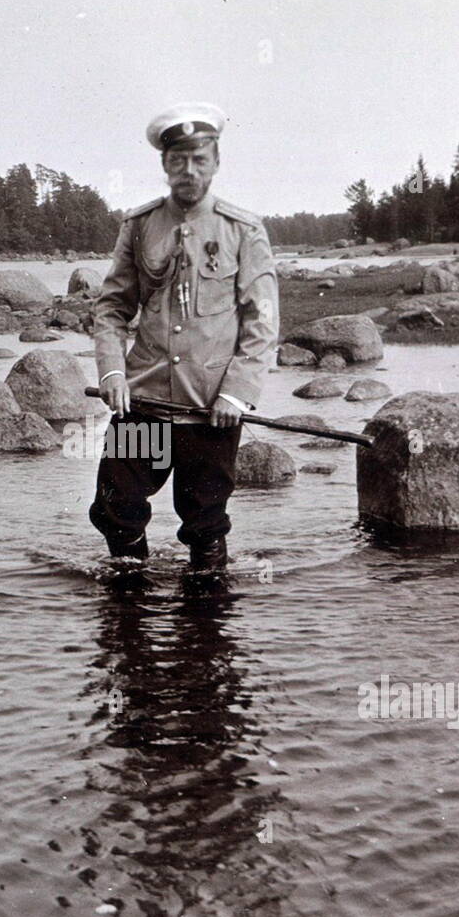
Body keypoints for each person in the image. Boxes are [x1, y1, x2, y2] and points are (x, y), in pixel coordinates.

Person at [90, 102, 279, 570]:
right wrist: (112, 371)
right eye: (178, 161)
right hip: (143, 405)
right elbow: (112, 308)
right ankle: (127, 612)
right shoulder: (139, 226)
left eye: (199, 160)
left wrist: (236, 395)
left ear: (216, 163)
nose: (188, 171)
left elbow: (262, 322)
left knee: (205, 521)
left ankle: (207, 623)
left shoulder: (244, 230)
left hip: (210, 411)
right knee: (117, 510)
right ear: (164, 165)